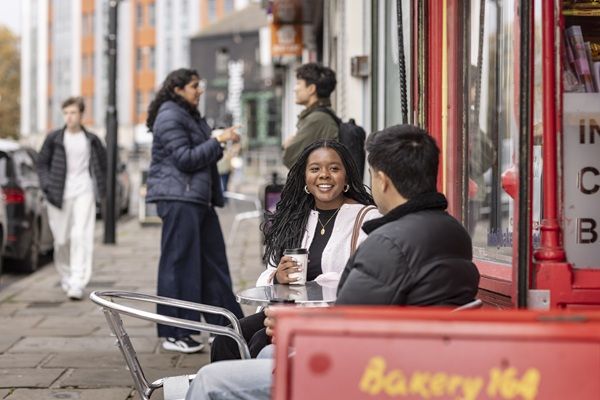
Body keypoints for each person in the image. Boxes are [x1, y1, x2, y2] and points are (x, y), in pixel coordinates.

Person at [186, 125, 480, 399]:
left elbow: (345, 330)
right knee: (251, 344)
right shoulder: (455, 231)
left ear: (382, 180)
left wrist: (293, 325)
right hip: (418, 360)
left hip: (373, 372)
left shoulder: (386, 242)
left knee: (210, 379)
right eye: (315, 169)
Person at [210, 139, 380, 362]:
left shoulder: (366, 218)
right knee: (227, 337)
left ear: (346, 176)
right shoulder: (296, 219)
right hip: (288, 310)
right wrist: (278, 277)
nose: (325, 175)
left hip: (334, 318)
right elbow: (267, 278)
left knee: (260, 341)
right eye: (315, 169)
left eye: (334, 168)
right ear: (305, 179)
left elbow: (366, 281)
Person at [145, 68, 244, 354]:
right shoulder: (170, 115)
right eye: (193, 86)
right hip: (180, 199)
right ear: (177, 89)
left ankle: (223, 326)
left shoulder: (187, 114)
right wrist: (218, 141)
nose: (199, 90)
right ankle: (175, 331)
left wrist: (218, 141)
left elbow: (198, 151)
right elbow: (186, 159)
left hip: (196, 199)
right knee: (180, 265)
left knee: (213, 263)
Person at [37, 97, 107, 301]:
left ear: (81, 114)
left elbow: (103, 165)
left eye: (73, 112)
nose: (69, 116)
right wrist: (47, 185)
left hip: (84, 190)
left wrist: (101, 189)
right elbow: (41, 164)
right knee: (61, 239)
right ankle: (66, 274)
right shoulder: (54, 138)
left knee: (81, 235)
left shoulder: (92, 139)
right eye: (66, 112)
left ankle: (78, 280)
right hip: (58, 194)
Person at [281, 63, 339, 168]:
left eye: (298, 83)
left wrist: (287, 145)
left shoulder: (317, 119)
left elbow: (291, 159)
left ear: (311, 89)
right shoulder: (320, 116)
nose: (295, 89)